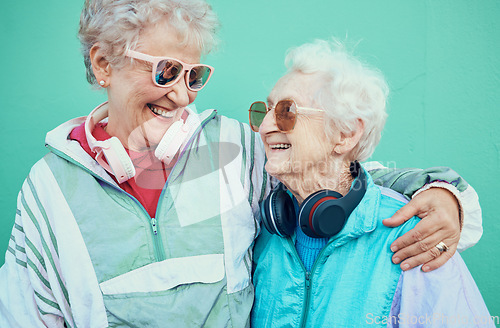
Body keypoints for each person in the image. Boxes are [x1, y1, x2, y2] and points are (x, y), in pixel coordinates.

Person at [0, 0, 482, 327]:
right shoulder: (48, 189)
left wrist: (444, 193)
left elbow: (341, 178)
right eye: (166, 71)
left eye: (195, 75)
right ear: (103, 64)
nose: (181, 93)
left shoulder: (234, 150)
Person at [250, 39, 493, 327]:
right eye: (263, 110)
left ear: (346, 133)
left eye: (286, 112)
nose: (265, 127)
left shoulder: (417, 238)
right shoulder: (265, 228)